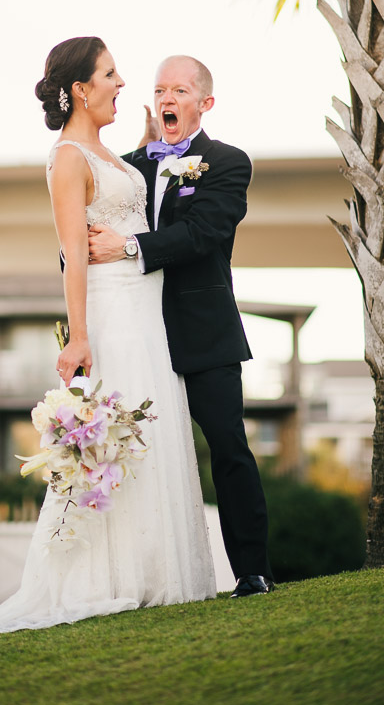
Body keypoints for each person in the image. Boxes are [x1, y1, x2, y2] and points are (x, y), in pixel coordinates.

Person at [0, 38, 214, 646]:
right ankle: (100, 580)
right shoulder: (68, 158)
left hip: (147, 314)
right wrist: (80, 337)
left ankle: (160, 574)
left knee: (149, 437)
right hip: (111, 316)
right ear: (80, 89)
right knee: (112, 447)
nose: (123, 83)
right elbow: (72, 256)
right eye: (110, 74)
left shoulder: (113, 152)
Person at [88, 55, 274, 599]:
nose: (168, 98)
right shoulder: (126, 168)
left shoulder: (228, 163)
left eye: (180, 90)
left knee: (228, 448)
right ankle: (134, 577)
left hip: (205, 331)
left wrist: (128, 248)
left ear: (204, 103)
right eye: (160, 89)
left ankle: (252, 571)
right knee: (136, 453)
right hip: (134, 331)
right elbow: (94, 227)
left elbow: (203, 232)